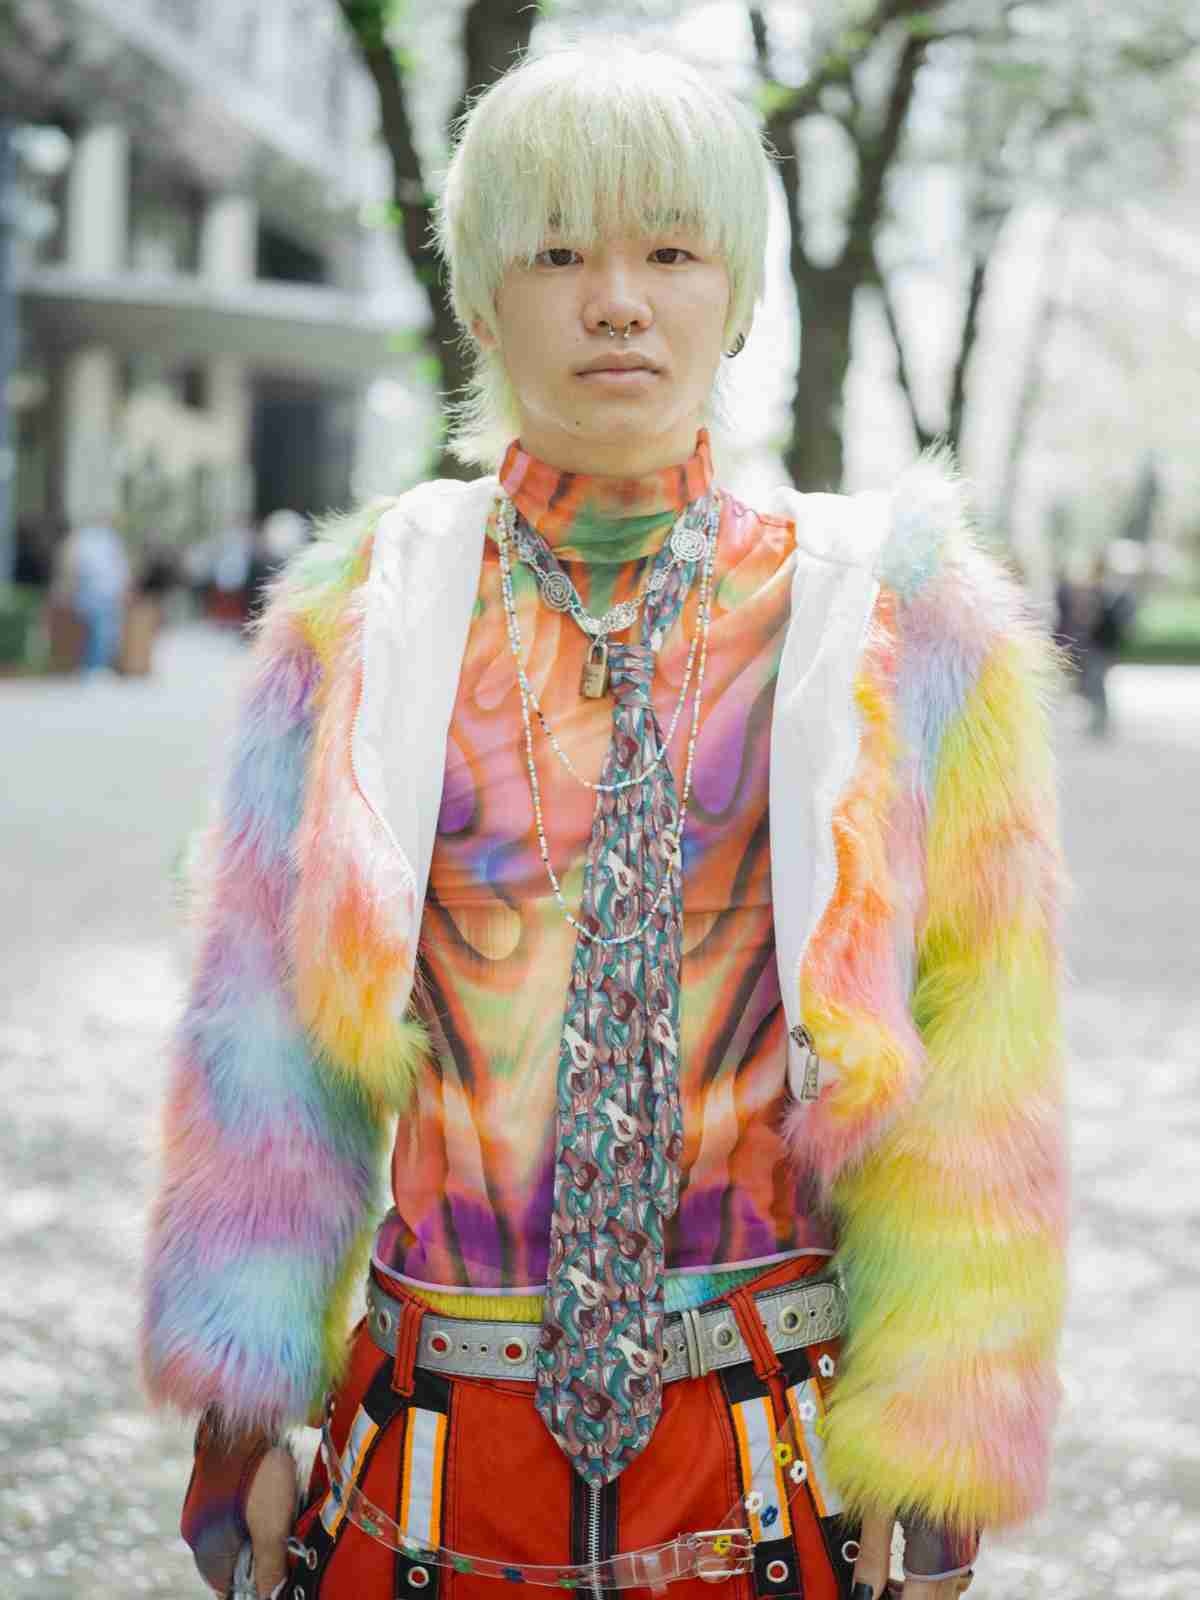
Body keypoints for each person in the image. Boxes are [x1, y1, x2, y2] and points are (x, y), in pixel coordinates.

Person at [141, 41, 1067, 1600]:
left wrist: (944, 1439)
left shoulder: (899, 622)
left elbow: (984, 1048)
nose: (618, 301)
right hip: (427, 1466)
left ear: (741, 293)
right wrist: (239, 1409)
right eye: (559, 253)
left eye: (671, 252)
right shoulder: (359, 616)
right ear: (482, 298)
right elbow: (262, 1039)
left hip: (767, 1458)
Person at [53, 514, 132, 675]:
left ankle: (93, 665)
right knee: (99, 631)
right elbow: (119, 567)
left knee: (99, 631)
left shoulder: (92, 540)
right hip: (97, 591)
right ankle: (94, 666)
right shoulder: (101, 540)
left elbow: (119, 567)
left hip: (98, 591)